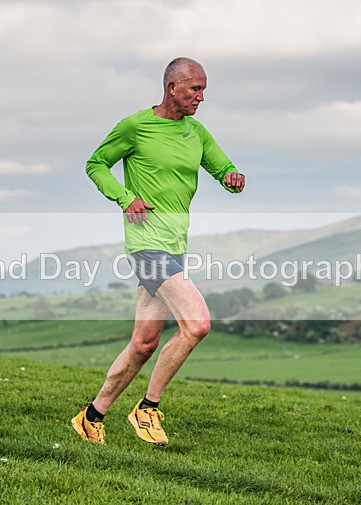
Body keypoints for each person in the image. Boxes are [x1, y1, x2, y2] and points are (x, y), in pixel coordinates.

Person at [71, 57, 245, 445]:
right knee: (197, 324)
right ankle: (147, 409)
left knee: (144, 343)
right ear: (172, 88)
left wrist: (232, 178)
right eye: (194, 89)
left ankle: (92, 416)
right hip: (147, 246)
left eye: (203, 90)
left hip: (175, 246)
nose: (200, 97)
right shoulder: (136, 126)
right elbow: (96, 164)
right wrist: (125, 197)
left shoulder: (196, 132)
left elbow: (223, 169)